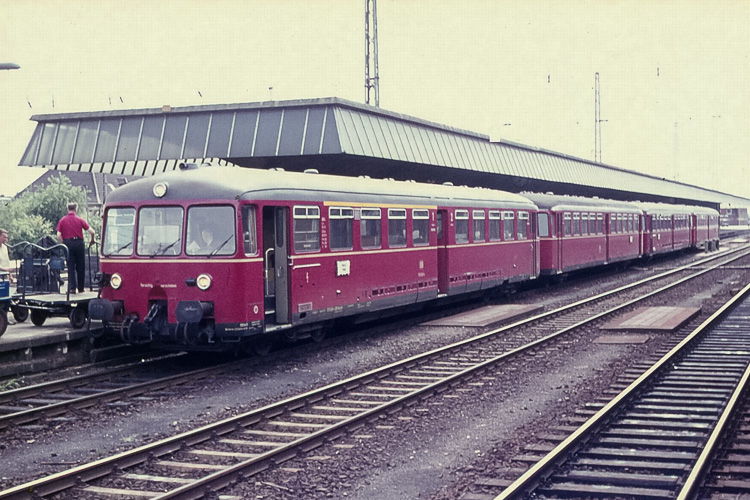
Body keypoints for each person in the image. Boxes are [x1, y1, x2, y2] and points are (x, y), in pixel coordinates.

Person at [56, 203, 96, 294]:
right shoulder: (79, 220)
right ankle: (81, 288)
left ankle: (72, 288)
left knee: (70, 266)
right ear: (76, 209)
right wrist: (92, 240)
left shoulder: (62, 220)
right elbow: (92, 232)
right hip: (79, 243)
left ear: (67, 209)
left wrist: (63, 243)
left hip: (68, 244)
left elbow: (58, 235)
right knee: (80, 266)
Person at [0, 228, 16, 325]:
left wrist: (10, 275)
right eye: (4, 237)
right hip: (1, 274)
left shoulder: (5, 248)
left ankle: (4, 319)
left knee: (6, 299)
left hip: (4, 276)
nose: (6, 239)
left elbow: (7, 262)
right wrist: (6, 270)